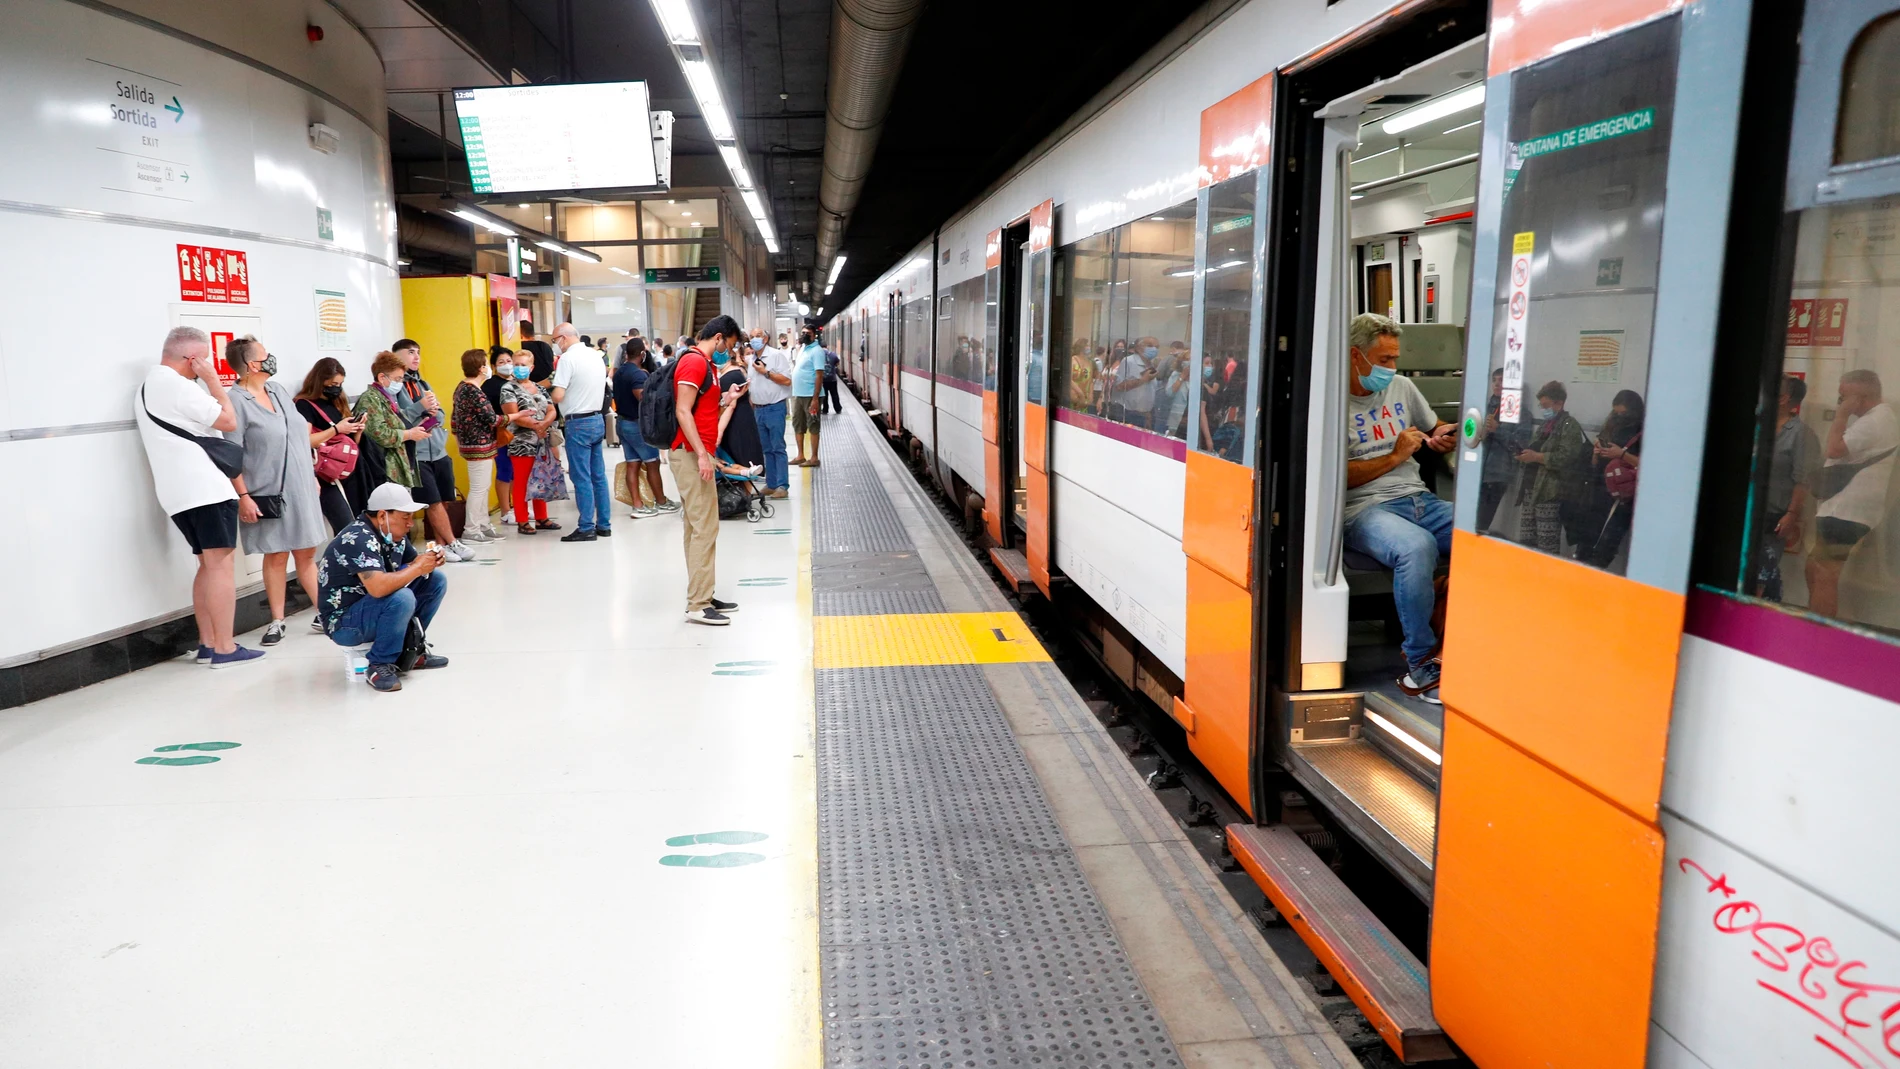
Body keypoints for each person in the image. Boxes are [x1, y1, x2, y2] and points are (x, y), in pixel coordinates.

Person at [1340, 314, 1456, 703]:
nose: (1392, 368)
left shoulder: (1403, 388)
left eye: (1395, 359)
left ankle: (1470, 639)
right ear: (1356, 356)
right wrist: (1394, 456)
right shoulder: (1332, 401)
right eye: (1384, 359)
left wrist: (1443, 437)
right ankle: (1421, 661)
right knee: (1416, 546)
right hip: (1363, 509)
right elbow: (1336, 478)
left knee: (1485, 538)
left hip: (1419, 498)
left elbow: (1433, 426)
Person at [134, 326, 264, 669]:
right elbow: (229, 421)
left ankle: (208, 643)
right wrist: (214, 383)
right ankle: (224, 647)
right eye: (203, 358)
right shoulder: (176, 386)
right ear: (192, 358)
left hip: (178, 493)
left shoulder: (148, 385)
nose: (207, 364)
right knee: (221, 566)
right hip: (206, 488)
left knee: (206, 565)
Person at [226, 336, 329, 646]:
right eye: (264, 355)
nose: (271, 358)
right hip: (266, 490)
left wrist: (310, 474)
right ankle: (277, 620)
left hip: (300, 485)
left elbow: (298, 435)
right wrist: (243, 496)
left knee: (307, 550)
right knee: (276, 554)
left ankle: (326, 614)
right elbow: (232, 454)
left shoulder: (277, 390)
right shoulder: (235, 401)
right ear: (251, 364)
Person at [316, 482, 449, 693]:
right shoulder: (358, 538)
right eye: (405, 517)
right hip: (345, 623)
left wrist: (429, 562)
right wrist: (417, 568)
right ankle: (379, 664)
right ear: (382, 516)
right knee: (402, 597)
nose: (410, 524)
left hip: (368, 608)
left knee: (435, 580)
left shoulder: (392, 535)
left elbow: (414, 566)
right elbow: (378, 588)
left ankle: (408, 651)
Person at [669, 314, 747, 625]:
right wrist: (702, 454)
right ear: (718, 338)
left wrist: (728, 400)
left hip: (697, 453)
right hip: (690, 454)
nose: (728, 351)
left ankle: (703, 592)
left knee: (700, 526)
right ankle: (697, 603)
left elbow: (701, 409)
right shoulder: (695, 363)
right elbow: (682, 410)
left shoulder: (708, 366)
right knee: (703, 527)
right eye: (728, 345)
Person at [1808, 369, 1898, 617]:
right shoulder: (1878, 419)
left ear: (1860, 397)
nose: (1840, 402)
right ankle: (1815, 621)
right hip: (1840, 510)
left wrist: (1841, 416)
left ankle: (1820, 633)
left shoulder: (1874, 421)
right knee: (1813, 567)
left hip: (1845, 513)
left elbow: (1834, 449)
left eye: (1843, 397)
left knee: (1826, 575)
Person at [391, 339, 471, 562]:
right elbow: (401, 418)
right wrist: (422, 408)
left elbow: (440, 413)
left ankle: (440, 547)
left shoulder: (422, 383)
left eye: (418, 352)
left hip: (437, 449)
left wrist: (431, 413)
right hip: (418, 454)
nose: (416, 357)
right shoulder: (396, 388)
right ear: (396, 356)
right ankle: (453, 542)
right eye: (410, 353)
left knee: (444, 500)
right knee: (432, 502)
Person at [1758, 375, 1822, 601]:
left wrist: (1791, 515)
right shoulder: (1756, 425)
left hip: (1774, 516)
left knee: (1760, 576)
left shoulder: (1800, 434)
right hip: (1746, 511)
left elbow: (1803, 479)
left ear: (1784, 398)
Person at [549, 322, 613, 541]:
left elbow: (558, 395)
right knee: (598, 476)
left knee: (581, 476)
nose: (555, 345)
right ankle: (604, 524)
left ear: (564, 338)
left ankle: (586, 526)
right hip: (597, 419)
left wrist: (545, 397)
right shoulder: (595, 355)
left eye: (554, 340)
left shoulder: (567, 359)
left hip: (578, 423)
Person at [1513, 381, 1591, 558]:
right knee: (1527, 540)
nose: (1543, 409)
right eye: (1541, 405)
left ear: (1559, 403)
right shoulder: (1544, 425)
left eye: (1546, 405)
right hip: (1531, 488)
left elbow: (1567, 457)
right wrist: (1524, 455)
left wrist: (1537, 457)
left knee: (1547, 543)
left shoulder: (1569, 426)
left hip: (1550, 492)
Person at [295, 357, 368, 534]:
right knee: (345, 525)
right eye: (333, 383)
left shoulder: (336, 403)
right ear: (321, 380)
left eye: (340, 384)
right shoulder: (304, 405)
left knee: (359, 522)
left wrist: (356, 430)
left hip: (349, 471)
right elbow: (304, 441)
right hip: (327, 475)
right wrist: (336, 429)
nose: (337, 388)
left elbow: (350, 445)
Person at [1576, 390, 1646, 568]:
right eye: (1616, 413)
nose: (1619, 416)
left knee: (1605, 547)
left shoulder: (1643, 430)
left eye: (1624, 413)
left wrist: (1621, 454)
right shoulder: (1611, 425)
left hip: (1622, 497)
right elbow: (1594, 462)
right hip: (1599, 489)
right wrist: (1597, 452)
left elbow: (1649, 466)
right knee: (1586, 542)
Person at [614, 339, 677, 517]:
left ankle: (638, 505)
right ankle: (662, 501)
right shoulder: (638, 375)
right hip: (636, 425)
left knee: (632, 465)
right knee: (652, 463)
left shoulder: (619, 372)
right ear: (642, 354)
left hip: (622, 422)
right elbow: (644, 398)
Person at [352, 351, 428, 494]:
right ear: (382, 377)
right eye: (397, 379)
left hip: (400, 464)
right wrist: (409, 434)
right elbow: (379, 434)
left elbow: (396, 423)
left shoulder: (387, 397)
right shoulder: (370, 399)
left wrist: (415, 428)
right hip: (385, 469)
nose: (400, 383)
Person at [501, 353, 560, 534]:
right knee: (522, 481)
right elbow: (514, 415)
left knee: (540, 479)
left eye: (523, 364)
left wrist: (544, 424)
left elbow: (551, 409)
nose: (519, 367)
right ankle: (522, 520)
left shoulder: (539, 389)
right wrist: (537, 426)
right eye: (516, 364)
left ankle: (542, 518)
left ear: (531, 367)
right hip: (522, 443)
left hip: (542, 441)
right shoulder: (508, 388)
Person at [451, 348, 505, 543]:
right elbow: (492, 419)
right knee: (479, 488)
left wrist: (458, 439)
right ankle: (471, 529)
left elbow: (454, 420)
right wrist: (515, 417)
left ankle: (483, 524)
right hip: (478, 446)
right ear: (482, 368)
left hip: (473, 445)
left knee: (483, 486)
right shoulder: (474, 391)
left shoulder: (462, 388)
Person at [1473, 369, 1524, 534]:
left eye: (1501, 380)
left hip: (1497, 474)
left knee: (1481, 523)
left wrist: (1497, 430)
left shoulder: (1519, 412)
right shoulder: (1483, 406)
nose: (1496, 384)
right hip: (1477, 470)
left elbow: (1520, 445)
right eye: (1494, 380)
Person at [747, 329, 794, 498]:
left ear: (766, 338)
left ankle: (782, 485)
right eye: (751, 337)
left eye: (758, 336)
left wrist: (766, 372)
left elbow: (787, 380)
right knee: (766, 449)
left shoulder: (776, 356)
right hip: (758, 410)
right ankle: (771, 483)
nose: (754, 339)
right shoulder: (751, 358)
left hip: (775, 408)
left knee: (777, 447)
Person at [484, 348, 516, 524]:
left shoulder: (518, 381)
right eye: (501, 362)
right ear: (494, 366)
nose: (506, 365)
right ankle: (505, 510)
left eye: (508, 361)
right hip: (501, 434)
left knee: (517, 472)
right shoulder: (490, 386)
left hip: (521, 435)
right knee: (504, 471)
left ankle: (518, 506)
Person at [790, 329, 825, 468]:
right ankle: (800, 455)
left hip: (811, 396)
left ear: (814, 335)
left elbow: (819, 375)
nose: (804, 335)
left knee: (813, 425)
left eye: (808, 333)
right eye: (802, 332)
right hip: (799, 394)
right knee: (798, 424)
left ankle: (814, 457)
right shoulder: (803, 349)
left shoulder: (817, 351)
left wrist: (815, 399)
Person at [519, 320, 556, 385]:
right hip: (549, 386)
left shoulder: (520, 348)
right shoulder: (545, 346)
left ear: (520, 335)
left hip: (530, 388)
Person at [824, 341, 843, 414]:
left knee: (824, 395)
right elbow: (837, 363)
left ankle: (825, 409)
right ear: (827, 346)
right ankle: (838, 409)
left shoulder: (819, 355)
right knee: (834, 394)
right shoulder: (833, 354)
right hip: (832, 379)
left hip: (823, 380)